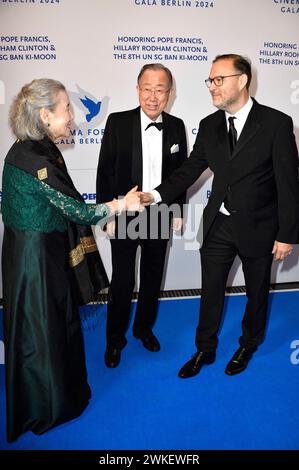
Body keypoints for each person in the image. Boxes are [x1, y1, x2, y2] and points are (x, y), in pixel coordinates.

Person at [140, 54, 299, 378]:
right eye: (209, 80)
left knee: (257, 292)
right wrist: (155, 194)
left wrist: (287, 234)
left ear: (241, 81)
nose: (212, 87)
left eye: (218, 80)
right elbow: (189, 170)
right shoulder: (211, 125)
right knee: (210, 291)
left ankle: (248, 343)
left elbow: (289, 183)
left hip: (260, 227)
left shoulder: (276, 123)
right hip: (218, 225)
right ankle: (205, 349)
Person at [1, 78, 141, 442]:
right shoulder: (35, 159)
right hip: (36, 262)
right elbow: (78, 211)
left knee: (53, 326)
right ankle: (49, 406)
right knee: (44, 331)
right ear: (45, 115)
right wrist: (120, 205)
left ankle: (57, 395)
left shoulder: (37, 147)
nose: (73, 118)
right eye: (67, 110)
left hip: (38, 251)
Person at [96, 63, 187, 368]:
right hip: (124, 212)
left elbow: (180, 175)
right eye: (147, 89)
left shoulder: (176, 126)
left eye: (160, 90)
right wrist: (105, 213)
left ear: (169, 94)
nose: (152, 96)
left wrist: (178, 210)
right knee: (122, 281)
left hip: (160, 213)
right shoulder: (117, 122)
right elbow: (104, 171)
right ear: (137, 89)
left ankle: (143, 329)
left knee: (152, 278)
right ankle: (114, 340)